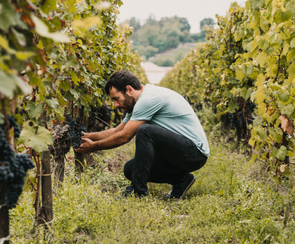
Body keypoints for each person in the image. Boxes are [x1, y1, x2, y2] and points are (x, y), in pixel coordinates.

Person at [75, 70, 209, 198]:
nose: (115, 105)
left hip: (194, 153)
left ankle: (138, 191)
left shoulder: (148, 99)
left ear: (129, 90)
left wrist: (94, 146)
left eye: (116, 99)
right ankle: (182, 180)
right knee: (130, 170)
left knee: (145, 131)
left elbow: (124, 136)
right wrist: (86, 136)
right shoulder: (137, 103)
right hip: (180, 151)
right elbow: (117, 130)